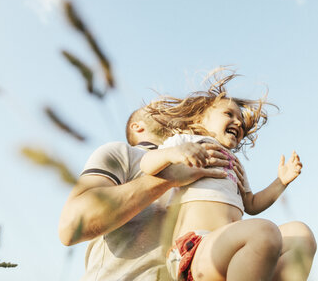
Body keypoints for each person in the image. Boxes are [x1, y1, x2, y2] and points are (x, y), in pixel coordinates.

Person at [141, 72, 316, 281]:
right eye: (229, 114)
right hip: (196, 248)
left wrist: (281, 181)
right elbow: (147, 164)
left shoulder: (234, 163)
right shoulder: (187, 141)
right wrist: (174, 153)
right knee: (264, 232)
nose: (238, 123)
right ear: (199, 118)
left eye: (241, 121)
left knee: (301, 235)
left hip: (233, 252)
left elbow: (251, 204)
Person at [58, 108, 231, 281]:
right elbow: (71, 226)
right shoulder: (123, 152)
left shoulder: (203, 163)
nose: (174, 111)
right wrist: (168, 178)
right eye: (161, 109)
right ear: (137, 127)